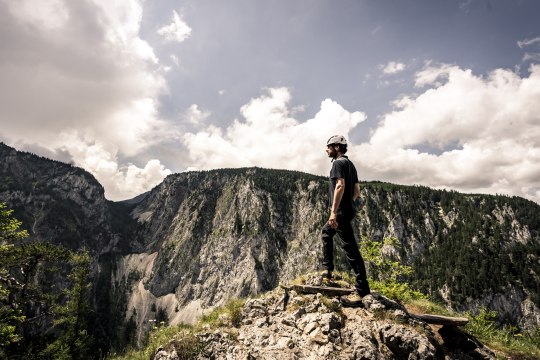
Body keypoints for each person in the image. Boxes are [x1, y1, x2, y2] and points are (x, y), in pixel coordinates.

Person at [321, 135, 371, 306]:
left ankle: (362, 290)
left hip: (341, 212)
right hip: (347, 210)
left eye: (328, 147)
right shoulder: (350, 164)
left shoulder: (338, 163)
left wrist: (334, 211)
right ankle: (327, 269)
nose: (326, 150)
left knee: (350, 249)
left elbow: (340, 185)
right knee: (327, 233)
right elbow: (357, 191)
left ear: (336, 147)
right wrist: (349, 205)